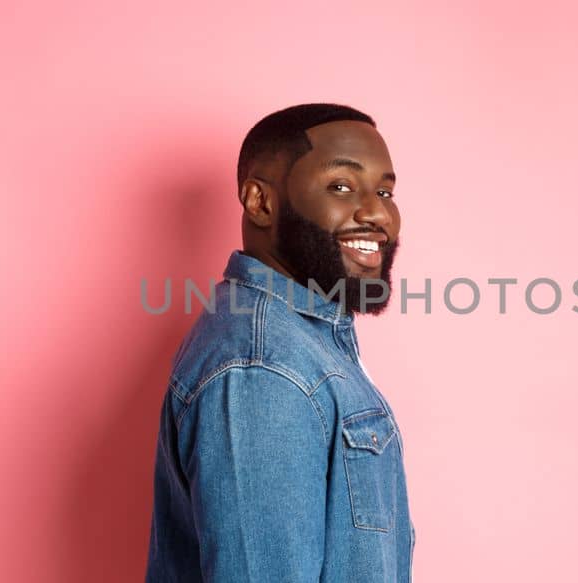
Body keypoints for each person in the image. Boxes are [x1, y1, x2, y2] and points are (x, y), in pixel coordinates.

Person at [145, 103, 413, 582]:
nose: (377, 212)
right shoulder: (261, 367)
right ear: (260, 202)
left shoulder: (304, 341)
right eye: (341, 186)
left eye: (385, 190)